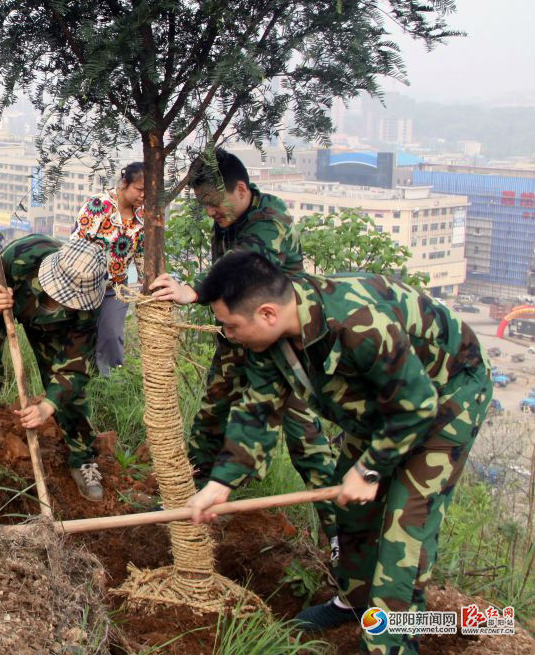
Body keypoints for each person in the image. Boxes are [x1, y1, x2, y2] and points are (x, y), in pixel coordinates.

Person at [187, 251, 492, 655]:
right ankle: (356, 602)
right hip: (382, 406)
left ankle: (391, 643)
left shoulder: (357, 321)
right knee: (348, 506)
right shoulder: (269, 340)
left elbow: (417, 405)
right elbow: (258, 409)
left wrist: (370, 469)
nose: (227, 334)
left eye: (230, 326)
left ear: (266, 313)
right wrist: (220, 483)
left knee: (405, 527)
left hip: (446, 395)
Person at [150, 149, 339, 547]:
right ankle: (195, 491)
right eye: (202, 205)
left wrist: (195, 290)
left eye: (212, 204)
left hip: (283, 342)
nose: (210, 214)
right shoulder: (228, 216)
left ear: (240, 189)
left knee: (305, 438)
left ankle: (338, 533)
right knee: (214, 408)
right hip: (239, 334)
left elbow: (245, 261)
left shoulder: (273, 220)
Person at [0, 235, 108, 502]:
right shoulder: (23, 255)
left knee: (67, 391)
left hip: (54, 328)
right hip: (4, 305)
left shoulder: (86, 310)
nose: (67, 301)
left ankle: (82, 459)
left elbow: (75, 368)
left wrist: (46, 407)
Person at [72, 162, 144, 375]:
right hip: (85, 285)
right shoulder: (99, 206)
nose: (143, 196)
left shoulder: (142, 217)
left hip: (117, 288)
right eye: (139, 190)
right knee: (82, 335)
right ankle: (77, 380)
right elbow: (77, 243)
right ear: (124, 183)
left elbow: (142, 256)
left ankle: (109, 385)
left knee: (112, 335)